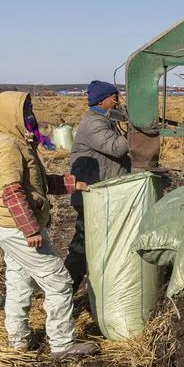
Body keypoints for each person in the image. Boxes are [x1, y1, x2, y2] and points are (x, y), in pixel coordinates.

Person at [0, 91, 99, 359]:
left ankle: (19, 340)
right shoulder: (9, 147)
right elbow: (12, 192)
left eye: (30, 109)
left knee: (19, 281)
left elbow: (37, 182)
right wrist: (30, 230)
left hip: (11, 229)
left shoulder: (20, 143)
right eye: (24, 110)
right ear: (10, 114)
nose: (30, 115)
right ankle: (62, 345)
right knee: (58, 281)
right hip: (19, 230)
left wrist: (73, 184)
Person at [64, 80, 130, 289]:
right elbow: (116, 147)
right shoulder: (94, 123)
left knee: (99, 243)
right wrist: (137, 130)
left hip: (100, 193)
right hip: (90, 194)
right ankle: (63, 292)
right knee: (83, 245)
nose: (118, 101)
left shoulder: (105, 120)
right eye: (115, 97)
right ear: (104, 100)